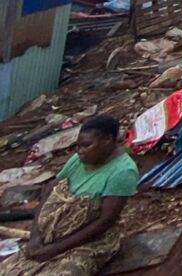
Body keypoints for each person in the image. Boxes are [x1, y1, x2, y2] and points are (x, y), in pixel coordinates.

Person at [2, 115, 138, 276]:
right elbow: (50, 192)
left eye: (86, 145)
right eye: (78, 146)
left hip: (88, 244)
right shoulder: (78, 160)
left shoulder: (122, 172)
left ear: (108, 140)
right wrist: (35, 236)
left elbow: (105, 221)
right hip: (48, 238)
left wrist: (55, 249)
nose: (79, 151)